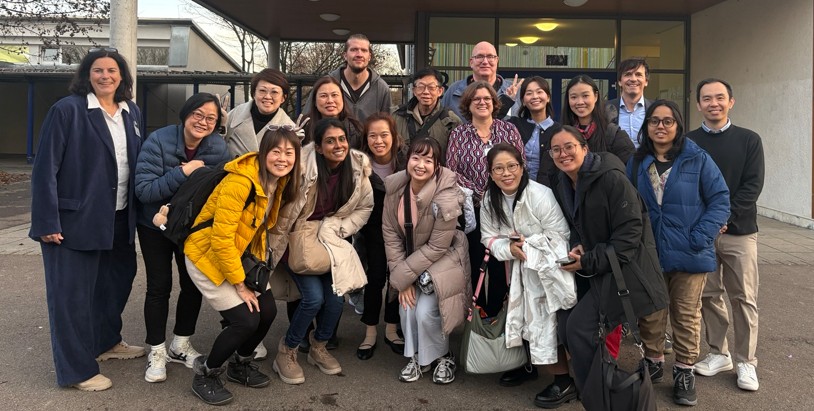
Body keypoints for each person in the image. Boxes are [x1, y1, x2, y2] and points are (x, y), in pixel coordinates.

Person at [30, 48, 145, 391]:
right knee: (72, 299)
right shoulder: (67, 110)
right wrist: (47, 221)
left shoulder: (132, 112)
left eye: (112, 70)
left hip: (119, 218)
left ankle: (105, 342)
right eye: (98, 70)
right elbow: (45, 168)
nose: (105, 76)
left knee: (115, 284)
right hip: (73, 220)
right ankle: (76, 371)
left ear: (122, 76)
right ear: (87, 75)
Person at [547, 125, 668, 406]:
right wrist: (578, 243)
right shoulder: (564, 181)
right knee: (566, 325)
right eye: (556, 150)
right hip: (598, 267)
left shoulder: (611, 178)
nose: (563, 154)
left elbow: (629, 234)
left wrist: (587, 260)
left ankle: (603, 398)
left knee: (580, 328)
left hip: (626, 271)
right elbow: (576, 223)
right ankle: (599, 393)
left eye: (569, 147)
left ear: (584, 148)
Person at [183, 127, 301, 405]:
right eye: (276, 151)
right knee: (245, 320)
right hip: (207, 256)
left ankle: (240, 364)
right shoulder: (240, 182)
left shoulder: (276, 181)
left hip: (239, 257)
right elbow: (221, 239)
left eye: (289, 153)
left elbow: (256, 230)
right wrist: (240, 285)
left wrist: (256, 274)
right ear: (263, 152)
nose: (282, 158)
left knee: (267, 311)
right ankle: (206, 374)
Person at [627, 99, 730, 406]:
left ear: (678, 125)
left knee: (686, 314)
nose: (661, 126)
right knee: (651, 312)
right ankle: (653, 361)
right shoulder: (637, 162)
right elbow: (626, 202)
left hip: (689, 252)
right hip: (649, 252)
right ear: (647, 126)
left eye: (667, 121)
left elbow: (720, 200)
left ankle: (684, 371)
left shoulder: (697, 158)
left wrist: (700, 236)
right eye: (654, 121)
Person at [134, 93, 231, 383]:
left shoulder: (218, 147)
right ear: (186, 114)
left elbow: (223, 186)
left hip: (191, 227)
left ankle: (180, 344)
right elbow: (145, 191)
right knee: (159, 286)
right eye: (198, 114)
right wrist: (184, 172)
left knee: (192, 285)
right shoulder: (158, 140)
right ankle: (157, 350)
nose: (203, 122)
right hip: (155, 225)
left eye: (210, 118)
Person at [272, 118, 373, 385]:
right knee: (313, 299)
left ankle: (318, 346)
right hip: (298, 239)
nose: (338, 145)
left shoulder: (357, 168)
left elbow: (365, 206)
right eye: (330, 141)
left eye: (342, 139)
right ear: (318, 147)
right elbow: (278, 201)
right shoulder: (301, 167)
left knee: (336, 300)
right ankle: (287, 350)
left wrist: (340, 228)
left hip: (329, 239)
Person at [479, 143, 576, 399]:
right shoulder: (490, 199)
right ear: (490, 173)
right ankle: (526, 365)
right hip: (512, 269)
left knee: (546, 323)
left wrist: (528, 246)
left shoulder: (540, 195)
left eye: (512, 166)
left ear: (522, 167)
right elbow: (488, 237)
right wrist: (508, 249)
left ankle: (563, 380)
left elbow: (560, 235)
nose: (506, 173)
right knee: (519, 318)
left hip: (544, 271)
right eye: (498, 168)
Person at [688, 78, 765, 392]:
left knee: (744, 298)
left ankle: (746, 361)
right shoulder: (689, 142)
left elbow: (752, 186)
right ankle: (719, 353)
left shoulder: (749, 140)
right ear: (698, 105)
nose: (713, 103)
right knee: (708, 295)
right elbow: (686, 186)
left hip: (739, 232)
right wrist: (706, 223)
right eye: (707, 98)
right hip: (702, 234)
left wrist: (722, 218)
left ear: (731, 101)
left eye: (719, 97)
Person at [382, 137, 471, 384]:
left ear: (437, 166)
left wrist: (401, 277)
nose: (421, 165)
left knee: (424, 312)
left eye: (429, 160)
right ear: (407, 160)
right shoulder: (395, 190)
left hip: (443, 261)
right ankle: (417, 357)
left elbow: (438, 246)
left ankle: (443, 356)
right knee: (407, 308)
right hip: (410, 264)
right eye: (416, 158)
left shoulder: (446, 194)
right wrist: (404, 281)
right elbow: (391, 236)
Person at [446, 81, 525, 319]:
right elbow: (451, 170)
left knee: (501, 263)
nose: (482, 102)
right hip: (473, 209)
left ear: (494, 103)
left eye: (487, 98)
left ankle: (497, 315)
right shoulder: (459, 134)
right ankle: (478, 315)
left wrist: (498, 191)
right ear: (468, 104)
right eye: (476, 99)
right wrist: (480, 193)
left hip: (504, 206)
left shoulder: (508, 130)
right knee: (475, 262)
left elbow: (520, 163)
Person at [356, 113, 407, 360]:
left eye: (384, 135)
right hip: (372, 230)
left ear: (394, 137)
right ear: (366, 139)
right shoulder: (359, 165)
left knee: (396, 278)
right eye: (373, 136)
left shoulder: (406, 162)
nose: (379, 141)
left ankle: (391, 328)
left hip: (401, 230)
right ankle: (369, 332)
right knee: (374, 278)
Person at [305, 33, 391, 122]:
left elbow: (388, 125)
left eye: (364, 50)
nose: (359, 54)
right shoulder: (325, 85)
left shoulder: (381, 88)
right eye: (354, 50)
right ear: (345, 55)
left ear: (369, 56)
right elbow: (307, 121)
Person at [224, 68, 297, 158]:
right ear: (254, 93)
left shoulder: (290, 129)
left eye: (274, 92)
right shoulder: (234, 116)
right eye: (262, 90)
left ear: (283, 98)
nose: (267, 97)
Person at [562, 74, 635, 165]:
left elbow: (631, 168)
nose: (580, 102)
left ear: (596, 96)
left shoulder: (613, 134)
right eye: (573, 97)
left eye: (585, 96)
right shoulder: (562, 134)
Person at [392, 67, 461, 160]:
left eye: (431, 87)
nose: (426, 92)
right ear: (414, 91)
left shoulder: (451, 121)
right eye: (421, 87)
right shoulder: (397, 116)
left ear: (440, 91)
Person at [441, 41, 518, 120]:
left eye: (490, 56)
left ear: (496, 61)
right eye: (480, 56)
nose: (485, 62)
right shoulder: (454, 91)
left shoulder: (516, 92)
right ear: (471, 62)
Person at [507, 76, 561, 186]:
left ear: (548, 98)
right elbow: (491, 124)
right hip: (516, 188)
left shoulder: (559, 131)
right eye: (529, 93)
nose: (535, 96)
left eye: (539, 92)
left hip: (547, 191)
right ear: (523, 101)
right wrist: (508, 100)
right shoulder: (514, 125)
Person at [304, 76, 364, 149]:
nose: (330, 100)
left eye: (334, 95)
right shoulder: (304, 128)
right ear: (315, 102)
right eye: (323, 96)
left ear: (342, 99)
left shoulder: (357, 131)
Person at [606, 58, 654, 148]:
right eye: (628, 74)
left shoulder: (655, 109)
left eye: (638, 75)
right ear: (619, 81)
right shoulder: (605, 109)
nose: (633, 79)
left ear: (646, 81)